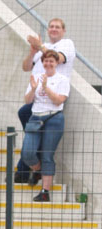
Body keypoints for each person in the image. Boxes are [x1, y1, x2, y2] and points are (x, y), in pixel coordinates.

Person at [15, 17, 75, 184]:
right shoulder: (44, 48)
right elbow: (26, 67)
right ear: (47, 30)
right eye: (51, 27)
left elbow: (59, 58)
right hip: (36, 96)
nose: (54, 29)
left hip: (52, 98)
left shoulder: (67, 44)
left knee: (32, 131)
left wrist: (40, 47)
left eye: (57, 27)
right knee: (26, 119)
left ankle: (25, 168)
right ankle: (31, 167)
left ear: (63, 31)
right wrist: (33, 52)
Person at [19, 50, 70, 203]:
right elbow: (27, 101)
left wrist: (46, 87)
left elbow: (59, 100)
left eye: (51, 61)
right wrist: (34, 88)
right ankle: (38, 170)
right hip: (36, 117)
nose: (48, 64)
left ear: (56, 63)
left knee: (47, 154)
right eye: (46, 61)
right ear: (42, 62)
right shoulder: (36, 78)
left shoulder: (62, 79)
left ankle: (45, 191)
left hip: (54, 117)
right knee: (27, 152)